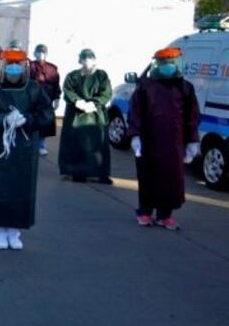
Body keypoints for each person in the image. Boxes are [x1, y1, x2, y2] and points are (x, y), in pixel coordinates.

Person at [0, 49, 54, 250]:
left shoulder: (34, 89)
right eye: (10, 64)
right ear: (3, 67)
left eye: (18, 64)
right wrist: (3, 120)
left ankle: (15, 231)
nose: (14, 68)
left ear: (25, 67)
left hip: (24, 147)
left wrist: (27, 119)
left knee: (21, 187)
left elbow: (46, 113)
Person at [127, 48, 201, 230]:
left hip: (174, 143)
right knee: (147, 177)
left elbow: (192, 116)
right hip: (149, 141)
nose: (168, 66)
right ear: (157, 64)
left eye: (172, 62)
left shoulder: (185, 87)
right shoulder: (145, 87)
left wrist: (192, 141)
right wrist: (135, 136)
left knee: (171, 179)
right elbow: (135, 112)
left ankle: (164, 215)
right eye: (165, 63)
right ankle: (145, 212)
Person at [58, 49, 112, 183]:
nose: (87, 61)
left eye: (90, 58)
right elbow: (68, 91)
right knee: (76, 145)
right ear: (80, 60)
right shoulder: (73, 76)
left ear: (94, 60)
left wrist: (95, 103)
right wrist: (78, 102)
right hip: (76, 115)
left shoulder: (101, 75)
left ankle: (101, 173)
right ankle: (77, 172)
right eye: (84, 58)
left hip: (96, 115)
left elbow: (106, 92)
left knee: (99, 145)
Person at [29, 44, 62, 156]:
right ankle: (30, 145)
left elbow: (56, 85)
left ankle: (41, 146)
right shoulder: (29, 66)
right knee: (31, 122)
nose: (40, 55)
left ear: (46, 54)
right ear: (34, 53)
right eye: (38, 52)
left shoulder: (52, 68)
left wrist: (57, 98)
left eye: (43, 52)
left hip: (47, 100)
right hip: (32, 100)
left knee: (44, 123)